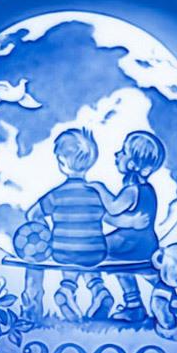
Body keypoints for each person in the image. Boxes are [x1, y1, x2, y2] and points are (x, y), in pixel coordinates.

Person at [25, 128, 146, 320]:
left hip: (62, 251)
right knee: (88, 258)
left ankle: (66, 289)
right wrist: (131, 221)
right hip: (95, 252)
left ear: (62, 162)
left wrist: (45, 234)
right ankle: (99, 290)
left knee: (70, 259)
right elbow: (110, 218)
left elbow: (32, 214)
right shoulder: (95, 194)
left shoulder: (56, 195)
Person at [89, 130, 166, 322]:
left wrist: (99, 189)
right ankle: (138, 306)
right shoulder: (148, 189)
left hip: (130, 244)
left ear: (133, 164)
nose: (117, 154)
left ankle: (106, 293)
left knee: (94, 248)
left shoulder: (132, 191)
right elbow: (123, 219)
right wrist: (123, 221)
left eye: (123, 152)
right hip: (147, 243)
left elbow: (113, 208)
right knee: (130, 270)